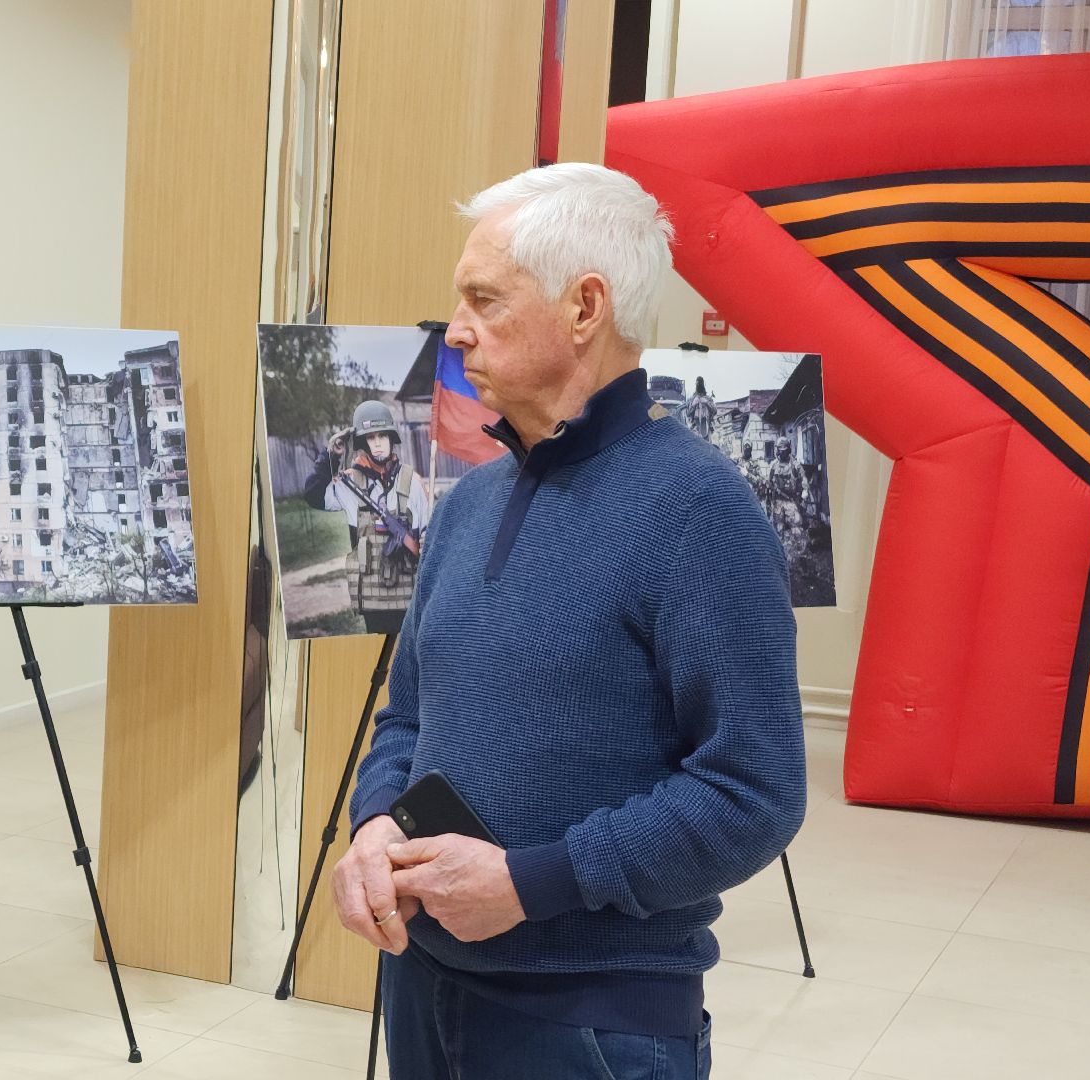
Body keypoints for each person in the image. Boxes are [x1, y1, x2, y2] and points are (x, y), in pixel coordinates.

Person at [328, 162, 805, 1079]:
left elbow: (755, 792)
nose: (455, 328)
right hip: (423, 987)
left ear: (583, 307)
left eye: (483, 298)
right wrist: (375, 822)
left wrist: (529, 882)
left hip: (593, 1023)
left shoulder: (699, 509)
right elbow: (409, 721)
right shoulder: (468, 504)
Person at [304, 399, 433, 635]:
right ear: (363, 442)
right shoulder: (349, 483)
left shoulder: (412, 481)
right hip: (373, 604)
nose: (378, 444)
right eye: (371, 438)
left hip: (409, 599)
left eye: (382, 436)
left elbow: (431, 532)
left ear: (392, 439)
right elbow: (313, 495)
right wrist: (330, 455)